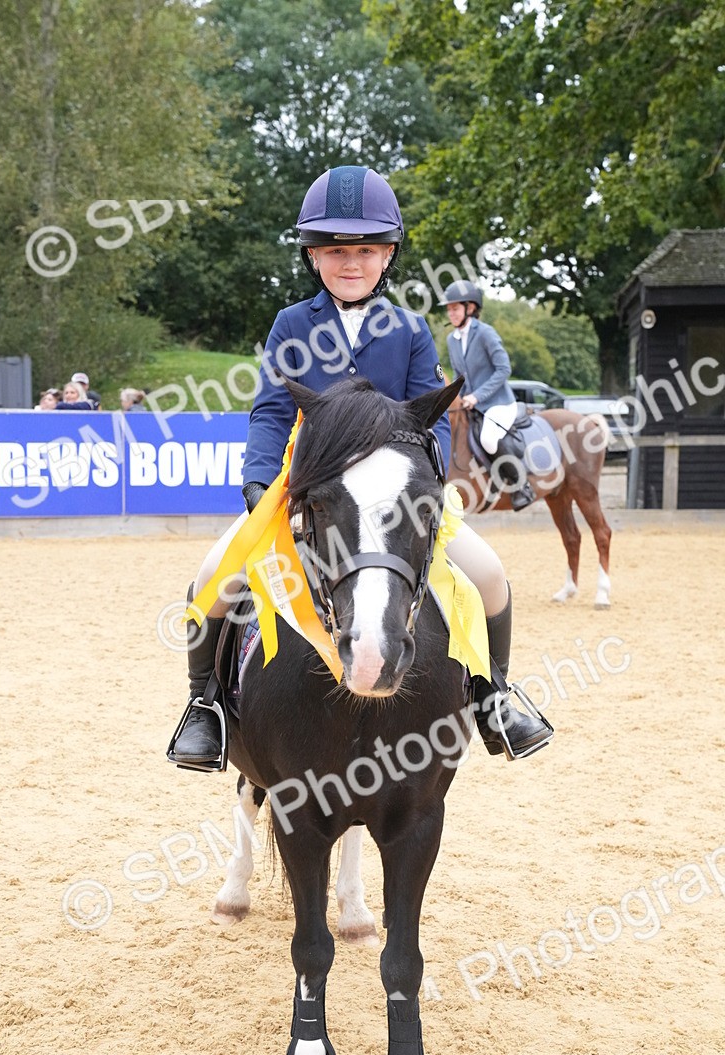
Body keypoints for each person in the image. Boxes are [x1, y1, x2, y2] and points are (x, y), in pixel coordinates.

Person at [169, 165, 552, 770]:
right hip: (310, 490)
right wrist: (260, 480)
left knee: (491, 575)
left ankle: (492, 695)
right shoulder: (292, 325)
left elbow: (427, 416)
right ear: (312, 256)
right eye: (337, 251)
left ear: (388, 255)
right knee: (213, 577)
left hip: (397, 496)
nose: (353, 263)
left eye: (368, 250)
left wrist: (425, 486)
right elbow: (270, 411)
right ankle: (205, 707)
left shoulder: (408, 329)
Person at [442, 280, 535, 510]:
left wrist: (477, 396)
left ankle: (521, 486)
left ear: (470, 308)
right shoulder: (451, 340)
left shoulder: (485, 333)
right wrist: (457, 395)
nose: (450, 312)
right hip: (471, 403)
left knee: (488, 438)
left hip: (498, 403)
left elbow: (504, 369)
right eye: (449, 309)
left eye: (455, 308)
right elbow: (459, 374)